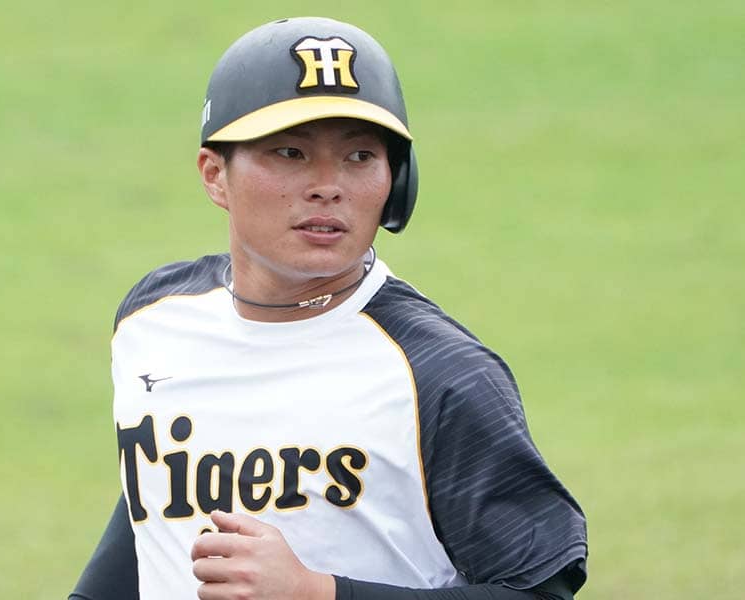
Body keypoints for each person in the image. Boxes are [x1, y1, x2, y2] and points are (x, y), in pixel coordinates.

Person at [69, 16, 587, 600]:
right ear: (215, 175)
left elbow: (542, 592)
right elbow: (155, 509)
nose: (327, 185)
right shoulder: (153, 321)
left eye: (360, 156)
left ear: (396, 182)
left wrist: (318, 593)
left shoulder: (438, 374)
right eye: (290, 152)